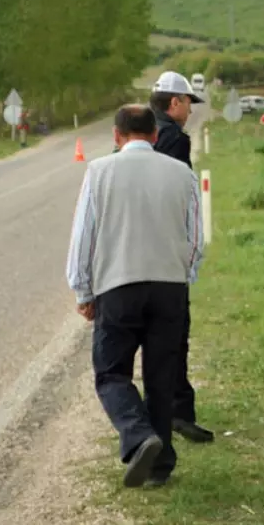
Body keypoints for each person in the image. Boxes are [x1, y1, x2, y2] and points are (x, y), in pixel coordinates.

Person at [65, 105, 204, 488]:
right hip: (169, 288)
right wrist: (184, 275)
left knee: (111, 373)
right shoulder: (182, 174)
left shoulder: (99, 172)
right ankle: (161, 466)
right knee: (161, 376)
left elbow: (85, 236)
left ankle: (139, 435)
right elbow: (195, 238)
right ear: (155, 136)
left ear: (116, 135)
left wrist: (83, 289)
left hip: (118, 286)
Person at [148, 69, 214, 444]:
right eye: (188, 102)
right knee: (174, 335)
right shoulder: (171, 136)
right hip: (164, 253)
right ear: (174, 102)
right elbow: (176, 196)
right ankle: (177, 413)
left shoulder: (138, 132)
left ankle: (164, 411)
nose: (190, 110)